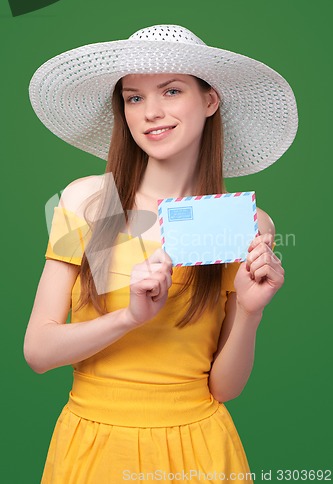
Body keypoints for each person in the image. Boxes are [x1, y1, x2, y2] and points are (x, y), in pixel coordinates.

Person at [24, 24, 298, 483]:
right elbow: (38, 351)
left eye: (171, 91)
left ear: (210, 101)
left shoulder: (244, 223)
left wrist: (251, 311)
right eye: (134, 98)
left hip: (201, 451)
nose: (152, 112)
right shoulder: (93, 203)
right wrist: (130, 317)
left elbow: (223, 388)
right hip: (95, 449)